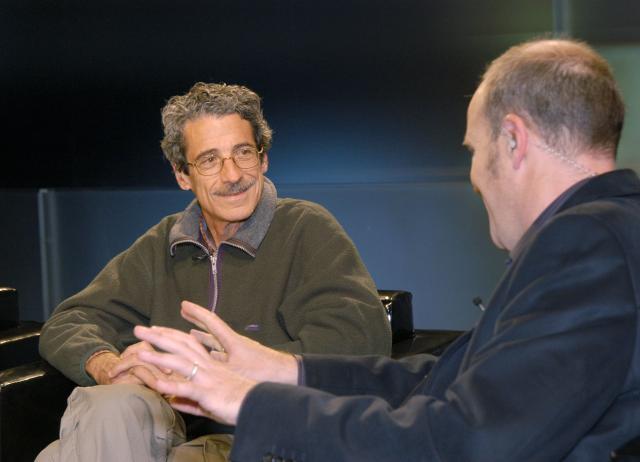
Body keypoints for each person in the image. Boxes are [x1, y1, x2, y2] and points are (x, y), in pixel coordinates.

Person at [132, 38, 640, 461]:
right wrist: (283, 370)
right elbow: (445, 383)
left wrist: (248, 401)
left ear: (513, 140)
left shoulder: (586, 243)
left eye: (473, 149)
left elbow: (466, 440)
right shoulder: (607, 234)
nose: (474, 176)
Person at [36, 83, 391, 461]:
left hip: (267, 434)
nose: (232, 174)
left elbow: (358, 344)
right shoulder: (163, 244)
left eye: (243, 152)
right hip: (174, 434)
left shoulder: (306, 229)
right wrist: (109, 366)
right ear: (182, 175)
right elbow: (68, 322)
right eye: (209, 160)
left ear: (264, 159)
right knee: (108, 405)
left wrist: (211, 370)